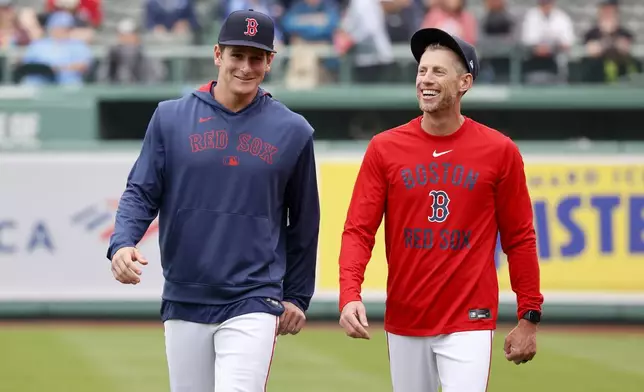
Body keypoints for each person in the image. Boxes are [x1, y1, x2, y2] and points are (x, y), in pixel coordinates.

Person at [107, 9, 320, 392]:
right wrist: (122, 242)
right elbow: (141, 191)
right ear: (217, 54)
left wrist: (298, 296)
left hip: (254, 296)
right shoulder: (170, 118)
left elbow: (304, 222)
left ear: (270, 61)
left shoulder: (293, 131)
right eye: (237, 55)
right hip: (185, 291)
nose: (245, 66)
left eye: (256, 57)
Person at [337, 27, 543, 392]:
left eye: (438, 72)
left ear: (464, 82)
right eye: (421, 70)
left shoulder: (499, 151)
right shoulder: (384, 148)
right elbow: (358, 229)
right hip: (406, 317)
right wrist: (350, 293)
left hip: (471, 317)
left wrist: (529, 314)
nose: (426, 79)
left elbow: (520, 237)